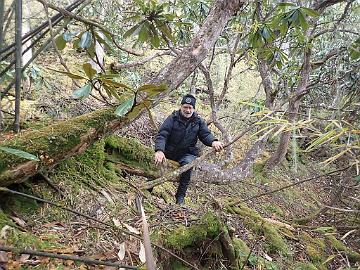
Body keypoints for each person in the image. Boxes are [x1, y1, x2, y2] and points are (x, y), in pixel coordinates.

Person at [154, 94, 223, 204]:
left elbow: (205, 135)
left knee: (188, 165)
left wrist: (213, 141)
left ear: (194, 109)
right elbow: (162, 134)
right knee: (157, 164)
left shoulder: (198, 121)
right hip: (169, 151)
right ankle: (149, 186)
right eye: (185, 107)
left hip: (187, 153)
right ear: (181, 107)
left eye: (190, 108)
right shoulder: (173, 118)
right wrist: (159, 150)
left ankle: (180, 196)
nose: (187, 110)